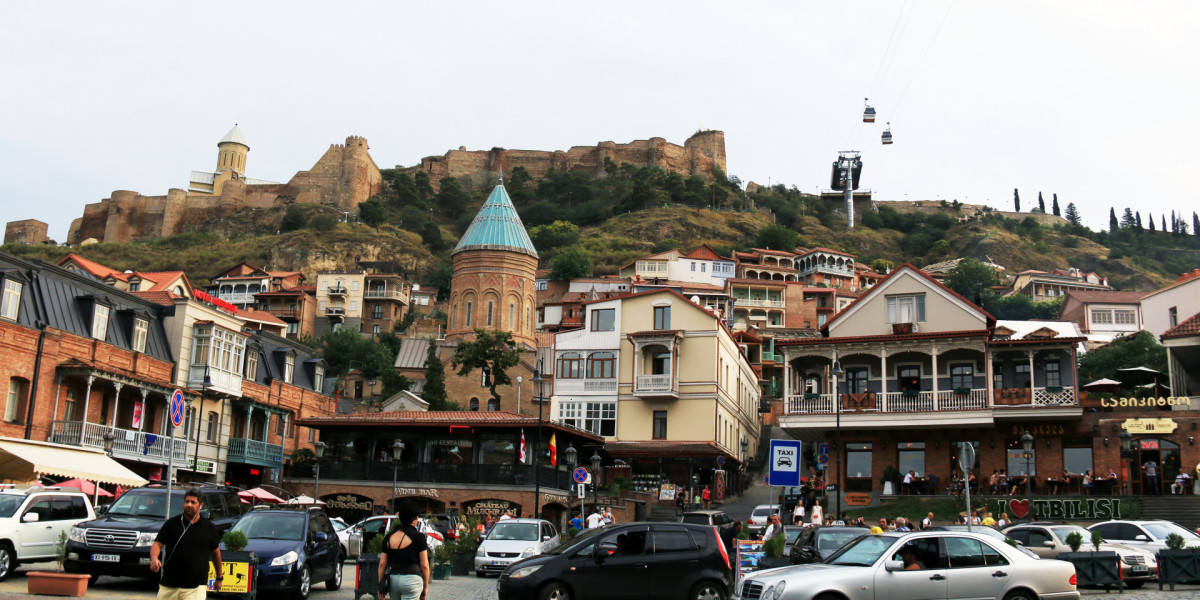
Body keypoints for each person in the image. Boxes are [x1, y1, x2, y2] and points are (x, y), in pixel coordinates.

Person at [150, 489, 221, 600]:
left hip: (195, 587)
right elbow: (157, 545)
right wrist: (154, 559)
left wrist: (219, 578)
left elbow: (216, 554)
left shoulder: (209, 528)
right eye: (187, 501)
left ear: (201, 505)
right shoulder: (171, 524)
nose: (189, 505)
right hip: (169, 585)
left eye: (193, 502)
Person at [378, 502, 430, 600]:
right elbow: (425, 565)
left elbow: (382, 564)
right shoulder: (419, 537)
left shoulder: (389, 537)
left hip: (393, 580)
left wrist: (381, 586)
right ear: (414, 519)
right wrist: (425, 587)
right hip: (412, 580)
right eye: (417, 517)